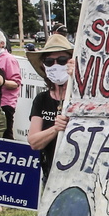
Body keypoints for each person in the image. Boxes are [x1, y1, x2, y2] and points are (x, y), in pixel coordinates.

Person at [26, 34, 73, 180]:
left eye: (62, 60)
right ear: (43, 65)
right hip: (50, 173)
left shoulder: (80, 98)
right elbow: (34, 141)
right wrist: (55, 128)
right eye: (49, 61)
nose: (56, 65)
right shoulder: (41, 99)